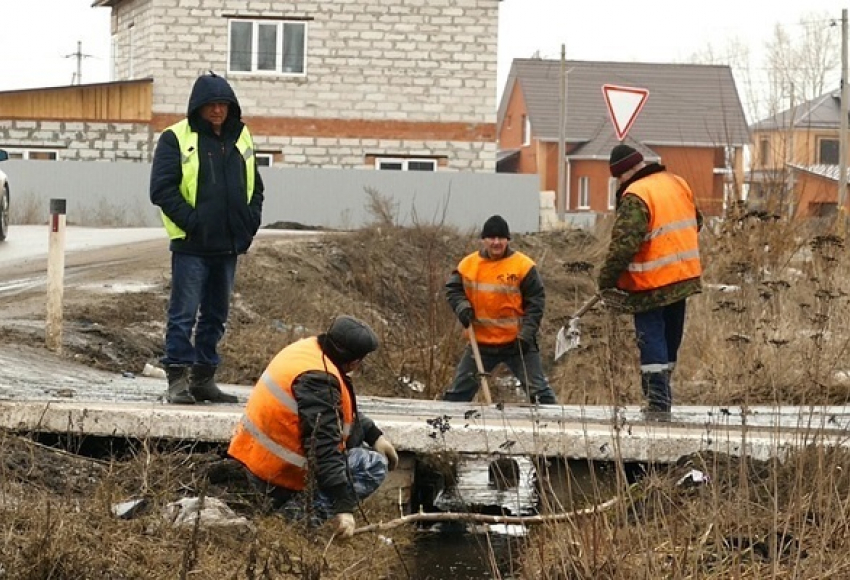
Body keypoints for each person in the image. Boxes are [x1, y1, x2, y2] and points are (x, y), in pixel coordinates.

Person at [228, 315, 399, 539]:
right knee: (373, 465)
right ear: (355, 361)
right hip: (278, 473)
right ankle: (292, 523)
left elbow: (333, 409)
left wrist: (374, 435)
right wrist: (343, 507)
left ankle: (287, 511)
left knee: (365, 455)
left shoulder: (307, 353)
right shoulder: (319, 380)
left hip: (253, 459)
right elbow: (323, 448)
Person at [150, 71, 264, 405]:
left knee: (216, 314)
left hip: (228, 243)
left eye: (222, 104)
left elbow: (254, 184)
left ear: (231, 106)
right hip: (192, 244)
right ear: (198, 107)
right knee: (184, 313)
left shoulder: (241, 136)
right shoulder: (175, 138)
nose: (217, 110)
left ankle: (203, 378)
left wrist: (249, 222)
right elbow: (161, 189)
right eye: (210, 104)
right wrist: (194, 222)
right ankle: (178, 380)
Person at [598, 144, 703, 419]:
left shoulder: (636, 195)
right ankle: (663, 397)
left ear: (623, 174)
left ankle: (657, 404)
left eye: (617, 178)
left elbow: (624, 245)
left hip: (651, 281)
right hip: (682, 276)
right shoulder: (676, 183)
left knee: (651, 338)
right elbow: (697, 221)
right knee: (670, 339)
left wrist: (606, 279)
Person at [442, 215, 558, 404]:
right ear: (483, 240)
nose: (496, 243)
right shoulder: (468, 265)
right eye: (491, 238)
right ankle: (445, 429)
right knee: (458, 393)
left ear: (508, 240)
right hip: (481, 343)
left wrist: (526, 336)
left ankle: (555, 429)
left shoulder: (523, 266)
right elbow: (453, 289)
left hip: (517, 344)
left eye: (501, 238)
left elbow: (536, 304)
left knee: (540, 394)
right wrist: (462, 306)